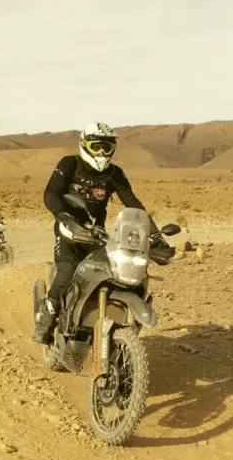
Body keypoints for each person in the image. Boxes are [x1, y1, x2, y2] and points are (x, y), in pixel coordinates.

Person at [32, 121, 169, 344]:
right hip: (69, 231)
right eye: (97, 146)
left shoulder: (114, 173)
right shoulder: (70, 164)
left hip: (97, 234)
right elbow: (51, 194)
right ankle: (46, 319)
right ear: (85, 145)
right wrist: (64, 217)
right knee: (67, 272)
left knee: (110, 273)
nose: (102, 152)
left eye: (107, 146)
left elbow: (133, 203)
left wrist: (154, 236)